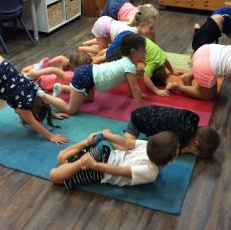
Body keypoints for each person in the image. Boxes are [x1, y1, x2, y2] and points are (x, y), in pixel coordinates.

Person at [39, 33, 146, 115]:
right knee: (70, 110)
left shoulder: (126, 60)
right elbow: (135, 88)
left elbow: (132, 85)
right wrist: (142, 109)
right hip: (86, 76)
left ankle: (61, 88)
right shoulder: (130, 66)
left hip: (89, 73)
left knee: (90, 99)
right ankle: (43, 95)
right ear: (133, 52)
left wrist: (133, 94)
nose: (146, 53)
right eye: (143, 50)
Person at [49, 129, 179, 189]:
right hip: (101, 168)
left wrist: (93, 164)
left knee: (60, 163)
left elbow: (119, 169)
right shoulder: (150, 172)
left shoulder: (148, 148)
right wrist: (105, 135)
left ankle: (82, 157)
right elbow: (125, 144)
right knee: (55, 174)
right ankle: (82, 156)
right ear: (172, 159)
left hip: (103, 161)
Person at [96, 31, 181, 96]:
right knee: (114, 58)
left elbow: (166, 61)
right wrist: (157, 91)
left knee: (114, 53)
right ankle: (101, 57)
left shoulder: (161, 57)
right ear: (152, 72)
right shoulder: (152, 64)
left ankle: (102, 52)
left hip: (135, 38)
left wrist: (172, 71)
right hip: (131, 41)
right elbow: (146, 78)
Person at [117, 105, 220, 158]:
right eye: (196, 153)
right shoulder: (182, 136)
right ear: (195, 142)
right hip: (137, 120)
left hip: (147, 111)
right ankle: (108, 134)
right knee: (123, 149)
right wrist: (186, 150)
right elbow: (168, 152)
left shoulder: (192, 120)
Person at [78, 4, 158, 55]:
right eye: (150, 28)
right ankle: (82, 49)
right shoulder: (132, 33)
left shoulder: (136, 27)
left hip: (108, 24)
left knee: (106, 43)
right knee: (103, 51)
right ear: (141, 24)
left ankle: (86, 44)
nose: (152, 31)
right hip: (103, 26)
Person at [21, 51, 92, 92]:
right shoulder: (72, 75)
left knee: (23, 71)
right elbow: (57, 63)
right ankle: (40, 66)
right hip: (42, 79)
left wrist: (39, 71)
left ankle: (39, 66)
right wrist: (37, 73)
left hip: (41, 82)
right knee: (24, 72)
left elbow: (54, 69)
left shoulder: (70, 76)